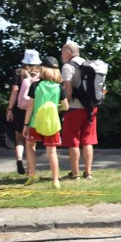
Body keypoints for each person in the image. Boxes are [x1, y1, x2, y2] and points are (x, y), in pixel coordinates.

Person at [22, 56, 69, 189]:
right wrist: (54, 108)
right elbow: (65, 106)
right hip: (51, 124)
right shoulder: (59, 87)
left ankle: (32, 175)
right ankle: (55, 180)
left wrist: (25, 125)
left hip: (35, 122)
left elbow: (30, 106)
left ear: (42, 69)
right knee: (52, 151)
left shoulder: (35, 85)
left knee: (30, 146)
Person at [60, 41, 98, 180]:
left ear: (68, 52)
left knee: (73, 141)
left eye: (62, 52)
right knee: (88, 141)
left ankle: (75, 174)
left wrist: (63, 106)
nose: (61, 55)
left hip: (74, 108)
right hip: (91, 108)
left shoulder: (67, 67)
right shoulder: (90, 64)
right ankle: (88, 173)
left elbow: (68, 91)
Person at [5, 50, 42, 175]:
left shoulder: (19, 72)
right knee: (31, 141)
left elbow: (15, 91)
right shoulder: (40, 73)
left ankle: (20, 159)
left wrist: (10, 109)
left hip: (19, 109)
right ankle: (31, 169)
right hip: (33, 110)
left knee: (19, 138)